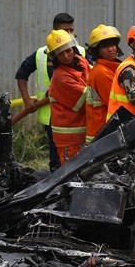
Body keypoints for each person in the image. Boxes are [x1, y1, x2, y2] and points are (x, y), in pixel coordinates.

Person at [15, 12, 84, 170]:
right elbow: (21, 74)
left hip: (77, 117)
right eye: (64, 31)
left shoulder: (80, 54)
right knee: (56, 159)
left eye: (70, 31)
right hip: (52, 116)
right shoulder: (41, 54)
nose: (68, 35)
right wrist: (27, 100)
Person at [44, 29, 90, 167]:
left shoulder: (81, 62)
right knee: (75, 178)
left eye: (68, 50)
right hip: (70, 142)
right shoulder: (61, 77)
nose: (66, 56)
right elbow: (88, 101)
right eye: (60, 53)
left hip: (83, 135)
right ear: (55, 57)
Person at [84, 24, 122, 143]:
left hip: (103, 130)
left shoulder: (111, 68)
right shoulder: (102, 72)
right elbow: (116, 104)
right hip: (102, 133)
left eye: (112, 44)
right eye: (105, 46)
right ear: (97, 51)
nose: (111, 49)